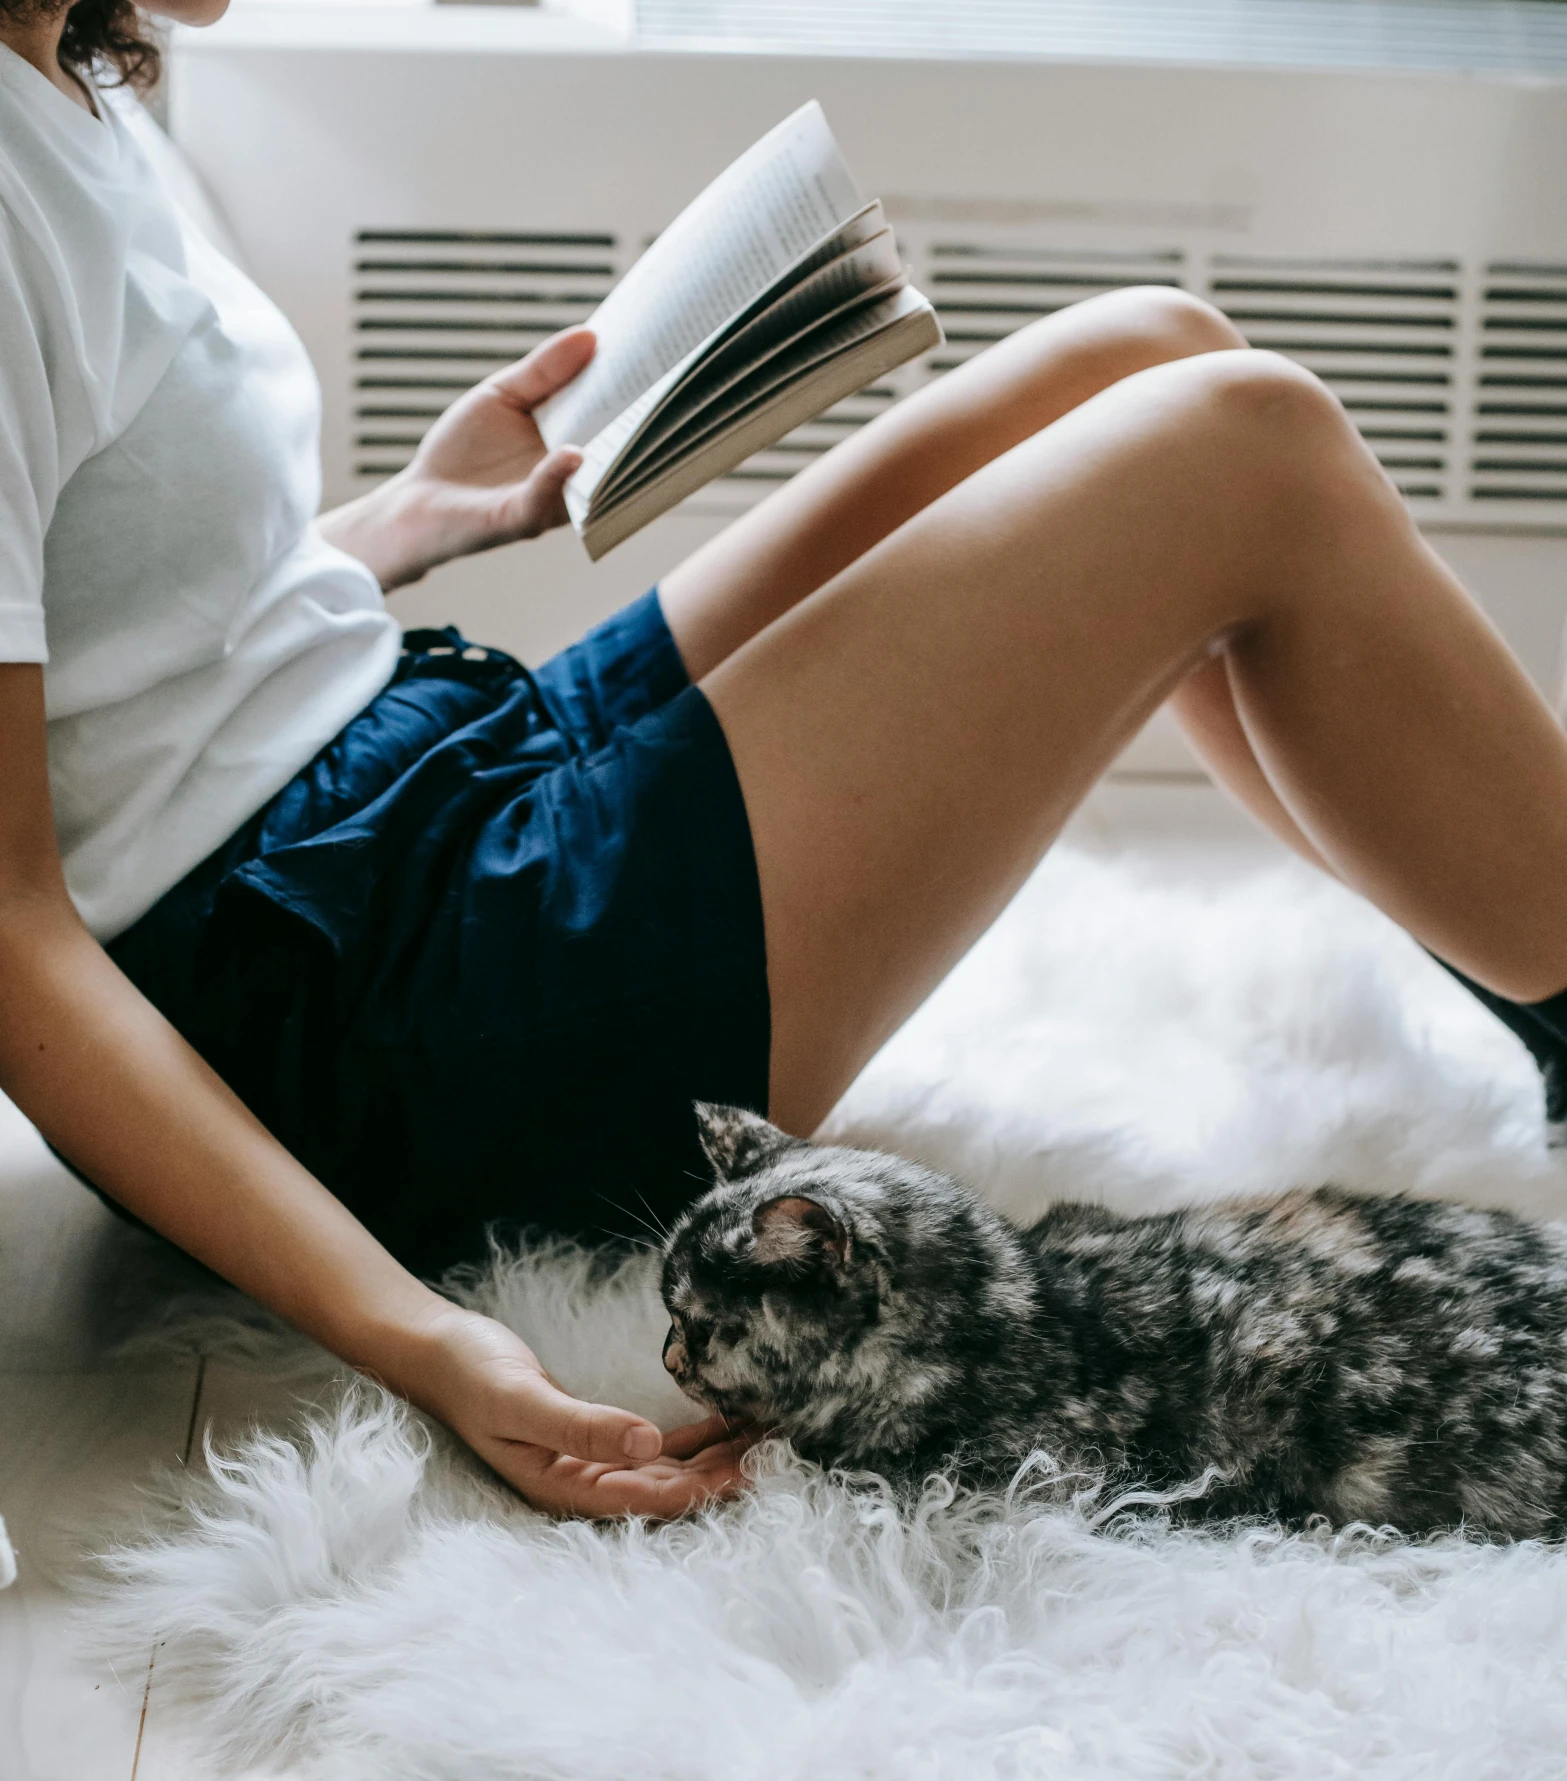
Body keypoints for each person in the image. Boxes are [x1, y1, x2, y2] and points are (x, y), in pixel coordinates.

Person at [6, 0, 1567, 1523]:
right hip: (369, 1019)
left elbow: (125, 626)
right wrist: (427, 1336)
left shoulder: (73, 71)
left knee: (1148, 350)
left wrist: (407, 521)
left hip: (395, 779)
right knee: (1242, 444)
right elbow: (12, 934)